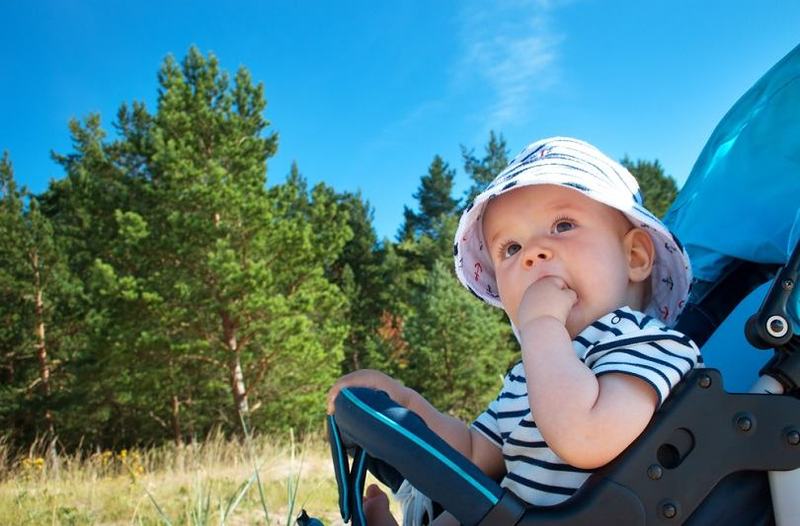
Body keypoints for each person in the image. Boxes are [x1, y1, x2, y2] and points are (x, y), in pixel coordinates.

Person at [327, 137, 702, 525]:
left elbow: (586, 438)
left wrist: (542, 325)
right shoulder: (530, 371)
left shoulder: (649, 343)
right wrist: (406, 405)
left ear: (634, 256)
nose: (532, 253)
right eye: (510, 248)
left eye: (563, 225)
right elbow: (475, 455)